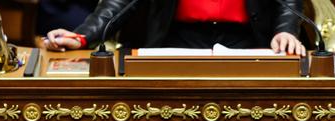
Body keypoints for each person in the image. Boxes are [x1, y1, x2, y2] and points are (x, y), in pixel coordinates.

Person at [44, 0, 306, 56]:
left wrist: (285, 30)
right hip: (176, 42)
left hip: (248, 43)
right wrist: (83, 35)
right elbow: (119, 2)